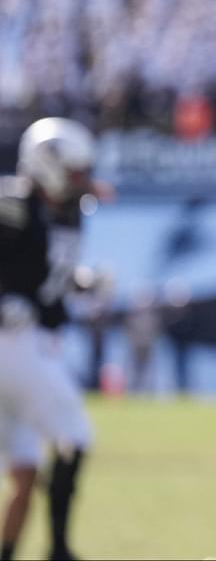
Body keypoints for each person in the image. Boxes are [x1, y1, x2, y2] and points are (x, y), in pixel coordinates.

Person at [0, 117, 98, 561]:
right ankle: (59, 550)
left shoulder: (57, 213)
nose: (81, 182)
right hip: (16, 344)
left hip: (27, 342)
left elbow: (46, 277)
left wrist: (82, 283)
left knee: (24, 470)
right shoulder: (13, 204)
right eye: (76, 172)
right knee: (75, 436)